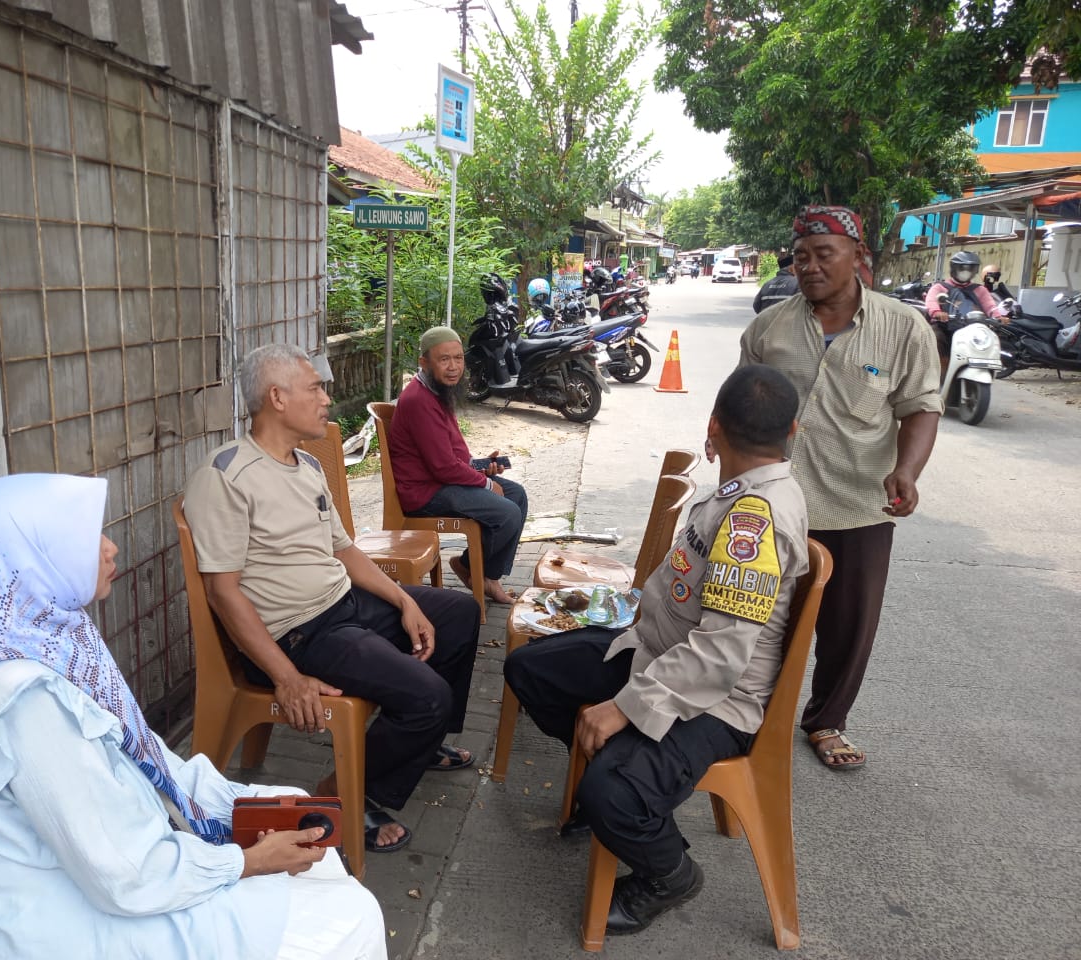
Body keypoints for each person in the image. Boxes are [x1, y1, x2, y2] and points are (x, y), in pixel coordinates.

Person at [0, 473, 388, 959]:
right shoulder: (22, 700)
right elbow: (125, 875)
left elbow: (156, 766)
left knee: (309, 846)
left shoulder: (51, 647)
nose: (111, 548)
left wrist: (248, 806)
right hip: (60, 931)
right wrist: (245, 863)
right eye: (86, 538)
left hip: (98, 885)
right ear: (36, 561)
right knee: (348, 920)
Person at [504, 364, 809, 938]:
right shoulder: (740, 491)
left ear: (713, 427)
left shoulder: (755, 520)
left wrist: (626, 707)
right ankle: (605, 775)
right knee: (532, 669)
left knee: (612, 794)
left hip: (714, 701)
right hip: (655, 654)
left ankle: (669, 874)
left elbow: (718, 656)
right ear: (793, 429)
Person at [183, 344, 480, 853]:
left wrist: (405, 602)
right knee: (426, 696)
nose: (326, 399)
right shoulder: (226, 475)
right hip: (299, 633)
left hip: (344, 603)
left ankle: (420, 742)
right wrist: (286, 677)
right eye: (316, 388)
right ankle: (341, 792)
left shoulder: (306, 465)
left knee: (458, 613)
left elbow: (344, 550)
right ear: (277, 398)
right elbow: (223, 592)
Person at [736, 204, 942, 771]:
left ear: (858, 256)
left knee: (849, 624)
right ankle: (743, 712)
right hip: (773, 503)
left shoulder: (903, 327)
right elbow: (741, 400)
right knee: (751, 612)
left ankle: (826, 720)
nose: (809, 266)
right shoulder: (769, 328)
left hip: (858, 504)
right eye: (800, 256)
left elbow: (921, 406)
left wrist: (907, 471)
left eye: (824, 253)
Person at [388, 326, 529, 606]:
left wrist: (481, 466)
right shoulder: (418, 399)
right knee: (507, 513)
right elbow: (443, 467)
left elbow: (454, 454)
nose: (453, 367)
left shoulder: (438, 390)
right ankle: (474, 570)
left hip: (442, 481)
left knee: (517, 495)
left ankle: (483, 574)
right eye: (444, 360)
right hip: (425, 492)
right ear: (424, 363)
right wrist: (486, 483)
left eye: (458, 358)